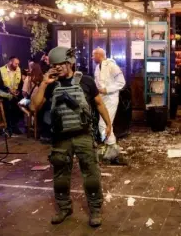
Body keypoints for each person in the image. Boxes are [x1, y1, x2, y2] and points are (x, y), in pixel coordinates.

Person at [30, 46, 112, 227]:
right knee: (60, 177)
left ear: (70, 63)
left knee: (91, 175)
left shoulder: (86, 82)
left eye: (61, 64)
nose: (57, 67)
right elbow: (34, 107)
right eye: (54, 64)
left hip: (83, 135)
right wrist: (43, 83)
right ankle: (64, 208)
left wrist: (108, 124)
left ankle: (95, 209)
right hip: (60, 138)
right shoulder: (50, 85)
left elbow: (99, 104)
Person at [92, 47, 127, 165]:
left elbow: (121, 82)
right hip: (102, 99)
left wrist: (107, 90)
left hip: (111, 98)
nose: (92, 58)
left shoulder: (112, 66)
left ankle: (113, 149)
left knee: (104, 124)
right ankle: (109, 148)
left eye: (93, 55)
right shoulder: (97, 67)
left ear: (99, 55)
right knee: (103, 124)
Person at [0, 56, 23, 134]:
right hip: (4, 94)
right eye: (16, 63)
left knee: (18, 105)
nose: (17, 65)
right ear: (10, 62)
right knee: (7, 107)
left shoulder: (18, 70)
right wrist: (9, 90)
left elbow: (20, 82)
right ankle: (8, 127)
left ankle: (15, 126)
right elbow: (0, 84)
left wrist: (18, 91)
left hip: (14, 94)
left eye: (18, 64)